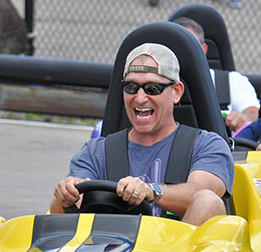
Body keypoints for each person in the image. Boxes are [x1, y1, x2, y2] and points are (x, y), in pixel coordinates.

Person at [50, 43, 234, 226]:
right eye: (131, 87)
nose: (139, 98)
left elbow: (203, 193)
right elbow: (65, 216)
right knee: (57, 203)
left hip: (179, 250)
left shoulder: (208, 145)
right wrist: (65, 196)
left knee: (207, 201)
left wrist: (152, 192)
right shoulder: (96, 151)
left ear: (176, 92)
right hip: (114, 249)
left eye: (152, 88)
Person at [173, 17, 259, 132]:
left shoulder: (233, 81)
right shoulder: (151, 86)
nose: (179, 53)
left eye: (187, 46)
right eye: (174, 47)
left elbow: (252, 114)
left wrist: (243, 117)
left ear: (203, 49)